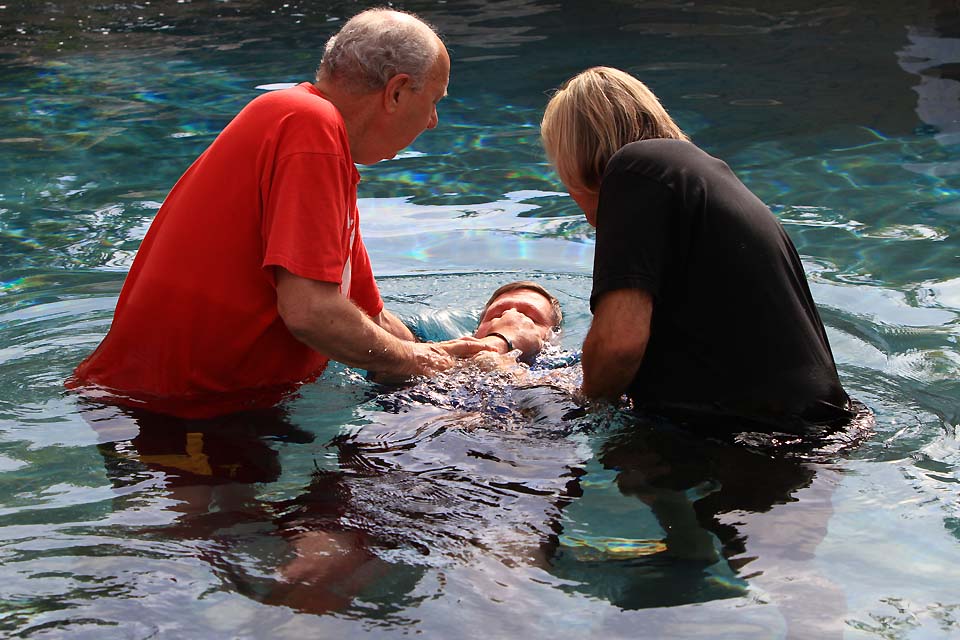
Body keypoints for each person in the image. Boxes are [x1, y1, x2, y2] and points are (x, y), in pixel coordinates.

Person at [66, 8, 493, 419]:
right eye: (433, 100)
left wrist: (447, 359)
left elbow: (370, 316)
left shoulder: (314, 137)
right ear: (396, 91)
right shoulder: (310, 127)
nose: (433, 121)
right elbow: (312, 312)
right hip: (170, 411)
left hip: (200, 406)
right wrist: (423, 363)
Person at [540, 66, 855, 432]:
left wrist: (580, 405)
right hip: (817, 429)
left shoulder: (632, 171)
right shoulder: (700, 181)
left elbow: (618, 346)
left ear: (577, 154)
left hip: (757, 436)